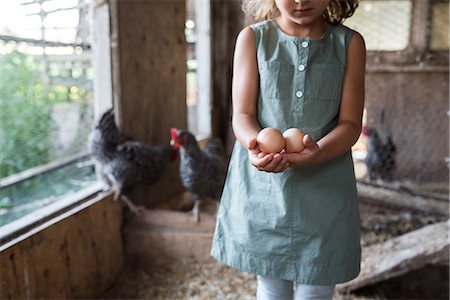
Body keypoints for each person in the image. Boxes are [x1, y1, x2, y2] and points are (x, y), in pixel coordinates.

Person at [210, 0, 365, 299]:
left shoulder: (350, 44)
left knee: (317, 288)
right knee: (271, 285)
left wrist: (318, 152)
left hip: (325, 188)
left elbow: (350, 124)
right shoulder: (254, 38)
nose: (300, 0)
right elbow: (242, 115)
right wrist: (255, 145)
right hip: (263, 185)